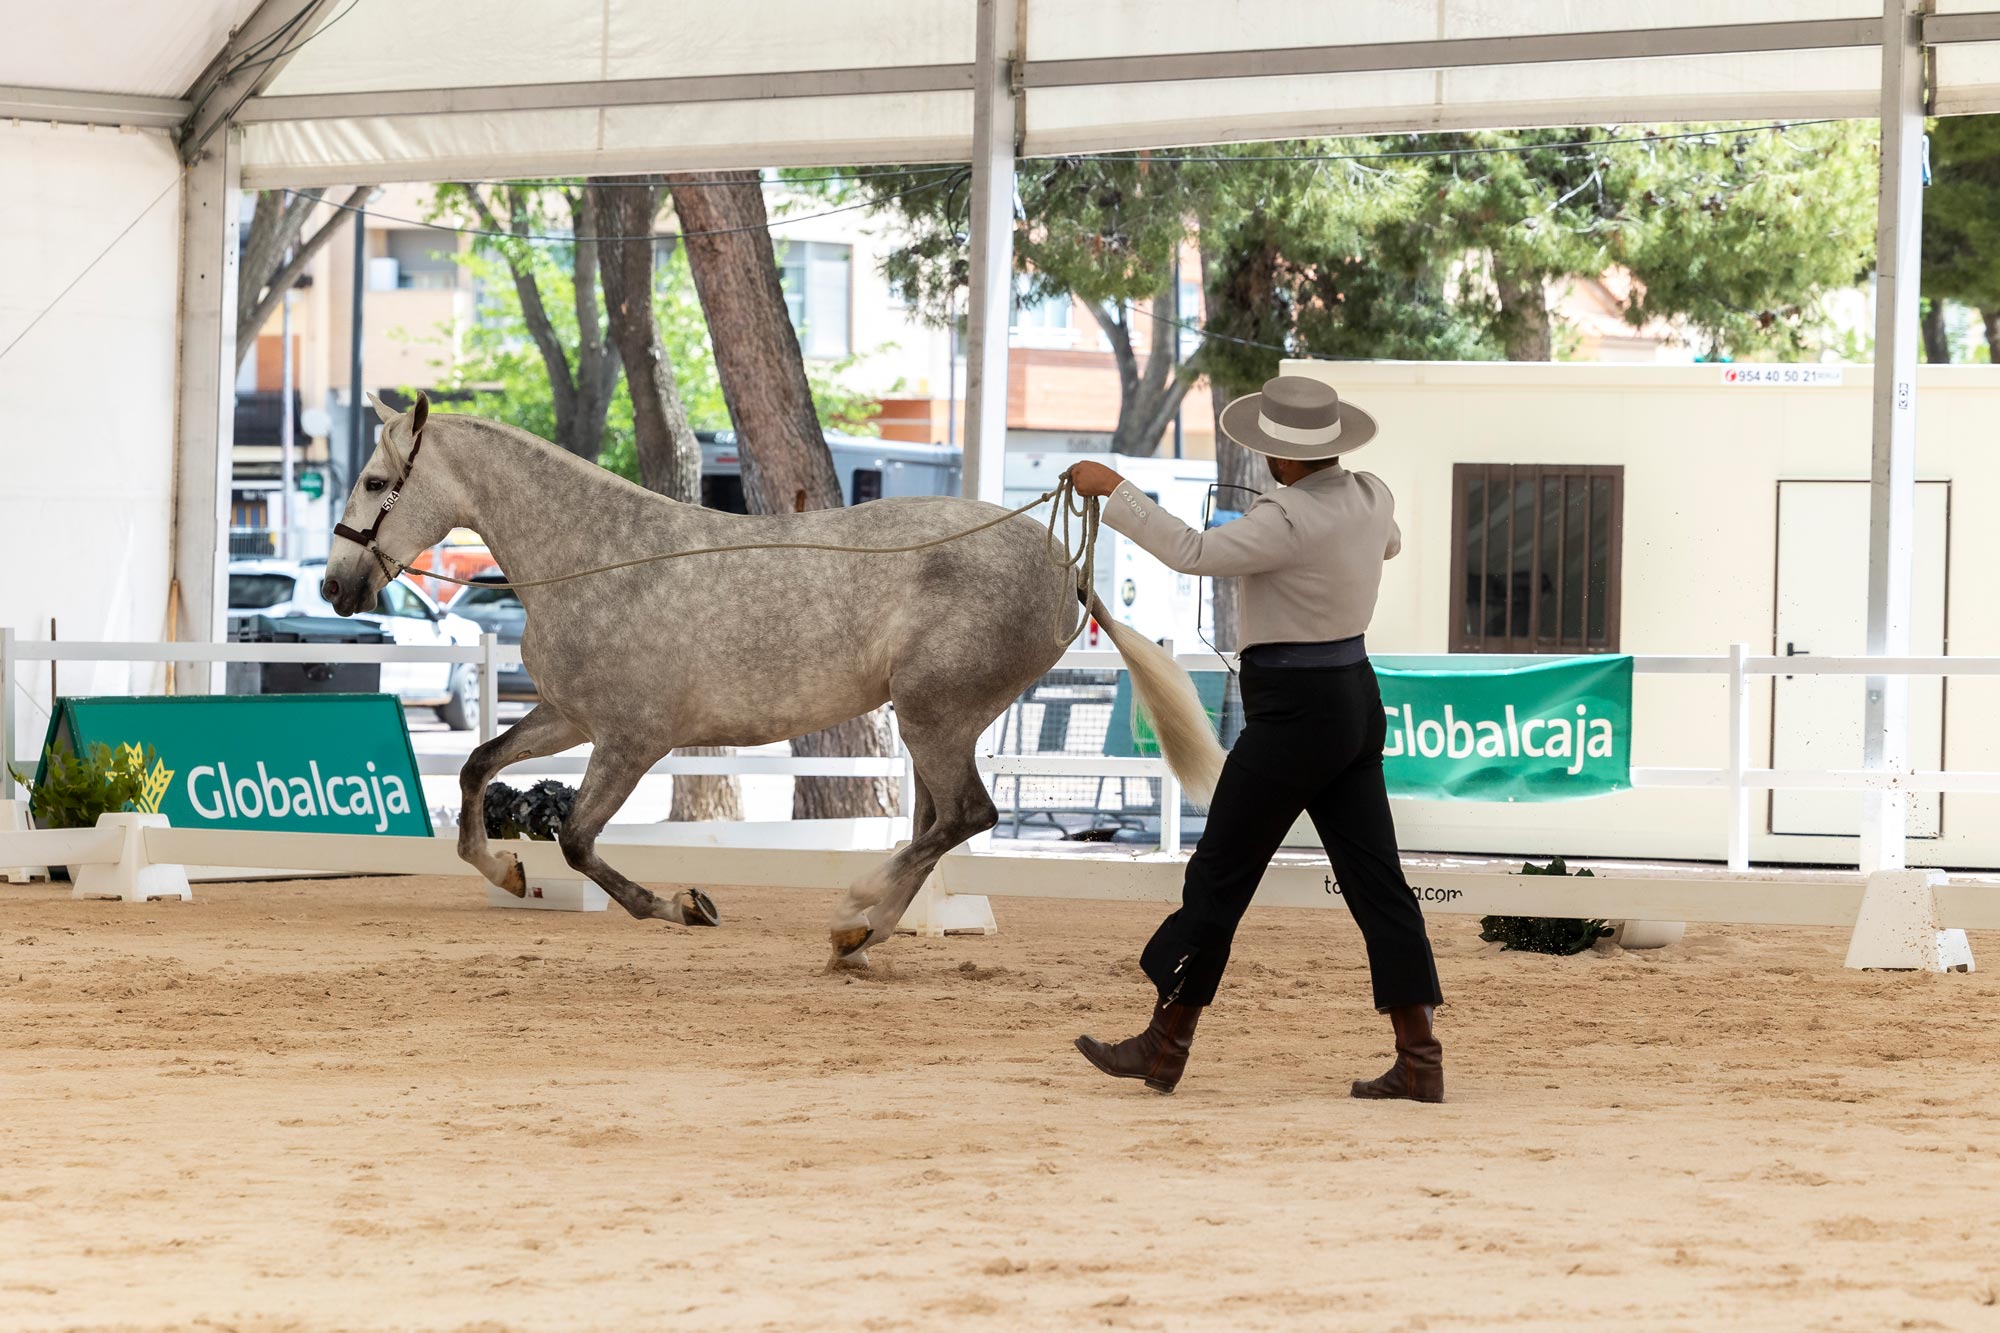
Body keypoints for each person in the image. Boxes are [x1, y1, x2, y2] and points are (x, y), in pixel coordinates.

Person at [1065, 374, 1444, 1102]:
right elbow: (1387, 545)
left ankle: (1165, 1043)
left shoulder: (1288, 516)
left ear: (1285, 456)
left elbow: (1190, 551)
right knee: (1378, 883)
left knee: (1219, 876)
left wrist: (1114, 489)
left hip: (1294, 711)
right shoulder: (1373, 495)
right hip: (1354, 701)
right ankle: (1419, 1054)